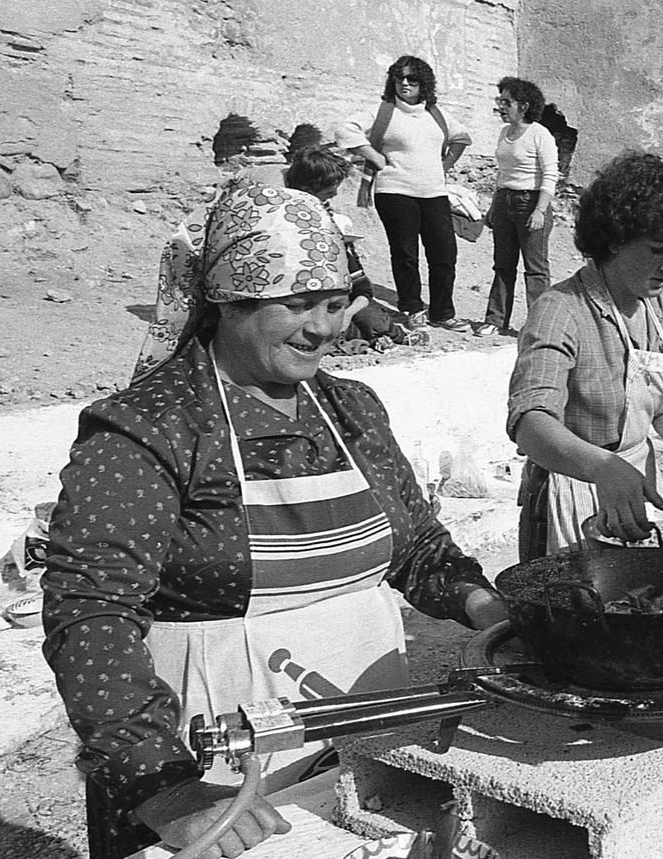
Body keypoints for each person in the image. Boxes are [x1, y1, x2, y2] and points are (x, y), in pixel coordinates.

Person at [45, 181, 510, 859]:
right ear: (231, 303)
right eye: (296, 304)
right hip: (208, 763)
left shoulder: (351, 409)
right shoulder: (152, 426)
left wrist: (488, 611)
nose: (323, 327)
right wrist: (165, 789)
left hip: (357, 732)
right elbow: (89, 615)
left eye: (332, 303)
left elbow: (418, 548)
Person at [508, 152, 663, 558]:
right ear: (615, 238)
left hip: (634, 478)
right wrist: (602, 468)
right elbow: (530, 421)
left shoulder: (661, 308)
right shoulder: (561, 309)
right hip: (573, 484)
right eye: (657, 250)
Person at [336, 55, 474, 333]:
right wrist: (374, 156)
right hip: (395, 191)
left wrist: (443, 165)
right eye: (399, 78)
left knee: (444, 253)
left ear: (424, 83)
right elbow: (345, 129)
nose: (405, 83)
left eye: (412, 79)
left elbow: (462, 137)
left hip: (434, 192)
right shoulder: (383, 111)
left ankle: (442, 313)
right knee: (405, 254)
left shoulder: (436, 114)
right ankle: (412, 309)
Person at [282, 145, 417, 349]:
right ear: (307, 191)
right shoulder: (285, 225)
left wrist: (347, 314)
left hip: (341, 302)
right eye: (328, 192)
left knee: (372, 319)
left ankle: (370, 332)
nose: (335, 194)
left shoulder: (335, 224)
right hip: (307, 300)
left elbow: (361, 286)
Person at [475, 77, 559, 337]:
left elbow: (551, 174)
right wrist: (492, 207)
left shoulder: (539, 134)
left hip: (531, 203)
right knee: (503, 264)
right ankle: (495, 319)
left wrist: (540, 210)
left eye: (506, 102)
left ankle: (539, 325)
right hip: (504, 202)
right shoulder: (504, 133)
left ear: (523, 106)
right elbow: (503, 174)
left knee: (535, 269)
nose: (501, 107)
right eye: (500, 101)